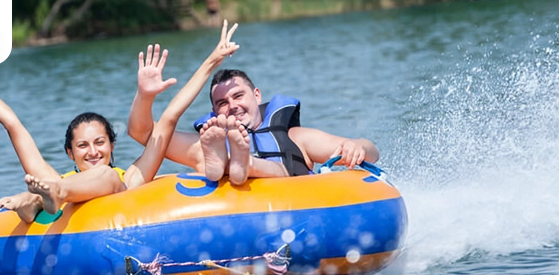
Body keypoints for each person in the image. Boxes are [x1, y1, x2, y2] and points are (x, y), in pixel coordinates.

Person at [0, 21, 240, 222]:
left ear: (111, 145)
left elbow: (169, 117)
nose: (93, 152)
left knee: (106, 178)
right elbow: (11, 123)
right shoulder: (51, 179)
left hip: (59, 192)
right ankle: (33, 202)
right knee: (52, 186)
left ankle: (35, 202)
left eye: (99, 142)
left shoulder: (131, 178)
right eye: (82, 146)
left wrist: (212, 60)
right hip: (54, 191)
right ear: (70, 153)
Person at [127, 49, 380, 186]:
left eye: (238, 96)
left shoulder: (295, 137)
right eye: (222, 103)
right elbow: (144, 134)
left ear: (257, 95)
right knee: (212, 153)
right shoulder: (207, 141)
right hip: (240, 217)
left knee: (272, 169)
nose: (232, 106)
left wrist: (357, 146)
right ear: (214, 112)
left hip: (297, 207)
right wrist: (144, 96)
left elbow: (371, 152)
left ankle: (243, 164)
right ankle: (229, 164)